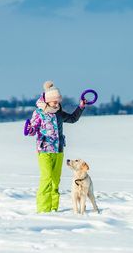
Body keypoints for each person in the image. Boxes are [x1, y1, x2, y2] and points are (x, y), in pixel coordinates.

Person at [26, 80, 86, 213]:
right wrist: (29, 129)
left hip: (58, 150)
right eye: (54, 101)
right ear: (47, 101)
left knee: (55, 180)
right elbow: (33, 129)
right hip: (44, 150)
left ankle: (53, 208)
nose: (56, 104)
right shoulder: (39, 113)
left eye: (58, 101)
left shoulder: (58, 112)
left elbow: (72, 119)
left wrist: (81, 107)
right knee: (46, 178)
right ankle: (43, 209)